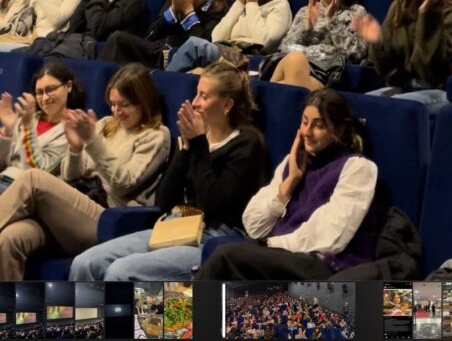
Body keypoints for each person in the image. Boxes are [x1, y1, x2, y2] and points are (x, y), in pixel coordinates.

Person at [68, 61, 269, 281]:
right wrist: (185, 148)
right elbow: (165, 201)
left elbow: (215, 203)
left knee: (120, 273)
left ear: (227, 105)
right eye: (196, 94)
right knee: (85, 263)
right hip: (177, 224)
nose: (195, 103)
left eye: (204, 96)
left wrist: (199, 144)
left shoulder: (247, 144)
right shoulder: (197, 138)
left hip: (216, 239)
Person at [0, 62, 171, 280]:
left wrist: (92, 141)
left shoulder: (156, 136)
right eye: (113, 104)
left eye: (124, 105)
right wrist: (75, 149)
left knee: (33, 178)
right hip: (74, 210)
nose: (117, 112)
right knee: (9, 239)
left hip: (107, 218)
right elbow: (72, 176)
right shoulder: (106, 124)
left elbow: (123, 184)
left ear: (144, 102)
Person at [196, 88, 381, 281]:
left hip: (324, 266)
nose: (307, 132)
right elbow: (253, 226)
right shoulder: (293, 163)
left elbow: (329, 238)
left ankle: (181, 309)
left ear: (340, 130)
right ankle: (180, 309)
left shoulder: (357, 168)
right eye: (304, 122)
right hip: (284, 258)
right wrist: (289, 183)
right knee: (218, 260)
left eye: (318, 125)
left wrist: (269, 245)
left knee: (225, 256)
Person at [166, 0, 292, 71]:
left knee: (194, 45)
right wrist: (240, 3)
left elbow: (264, 42)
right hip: (226, 52)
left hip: (249, 58)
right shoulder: (240, 6)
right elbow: (216, 37)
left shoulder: (279, 5)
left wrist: (252, 4)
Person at [100, 0, 228, 68]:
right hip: (158, 51)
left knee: (118, 39)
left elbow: (201, 47)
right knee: (118, 40)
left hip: (177, 56)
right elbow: (151, 35)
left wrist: (188, 12)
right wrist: (172, 10)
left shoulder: (217, 10)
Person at [268, 0, 369, 89]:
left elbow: (355, 54)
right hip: (293, 65)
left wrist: (331, 21)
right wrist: (307, 28)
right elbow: (284, 47)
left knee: (293, 63)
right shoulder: (306, 10)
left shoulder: (355, 12)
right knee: (294, 61)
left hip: (322, 72)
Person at [0, 60, 85, 190]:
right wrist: (8, 131)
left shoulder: (73, 128)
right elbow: (5, 161)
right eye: (39, 92)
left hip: (27, 190)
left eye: (50, 89)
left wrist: (27, 128)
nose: (45, 98)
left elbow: (38, 173)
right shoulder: (31, 118)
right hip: (5, 179)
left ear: (68, 86)